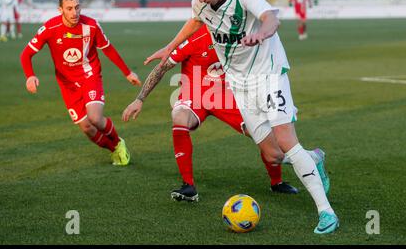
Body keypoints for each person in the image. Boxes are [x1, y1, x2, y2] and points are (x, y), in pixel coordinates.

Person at [143, 0, 337, 234]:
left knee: (285, 138)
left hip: (269, 74)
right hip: (240, 85)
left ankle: (326, 212)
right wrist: (169, 46)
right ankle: (314, 158)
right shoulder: (200, 2)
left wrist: (261, 33)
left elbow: (271, 18)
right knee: (272, 155)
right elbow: (195, 20)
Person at [122, 24, 301, 202]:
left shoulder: (238, 36)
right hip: (196, 94)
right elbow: (162, 67)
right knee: (180, 117)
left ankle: (277, 182)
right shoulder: (195, 37)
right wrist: (140, 99)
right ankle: (188, 186)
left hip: (228, 95)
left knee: (272, 146)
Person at [20, 0, 141, 165]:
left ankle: (118, 143)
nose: (74, 12)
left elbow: (108, 48)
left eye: (77, 7)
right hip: (67, 84)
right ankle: (114, 148)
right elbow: (26, 54)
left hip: (89, 75)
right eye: (69, 8)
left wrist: (127, 72)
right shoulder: (50, 28)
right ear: (60, 9)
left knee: (95, 118)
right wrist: (30, 76)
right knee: (87, 127)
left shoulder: (91, 26)